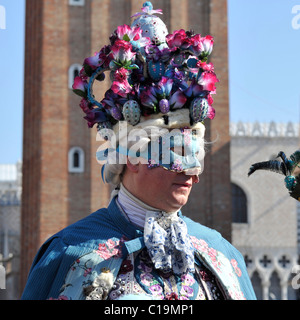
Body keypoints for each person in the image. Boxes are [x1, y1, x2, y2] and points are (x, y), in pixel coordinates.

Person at [21, 2, 256, 300]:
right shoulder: (69, 253)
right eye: (177, 153)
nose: (192, 173)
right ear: (132, 156)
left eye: (197, 156)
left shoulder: (222, 255)